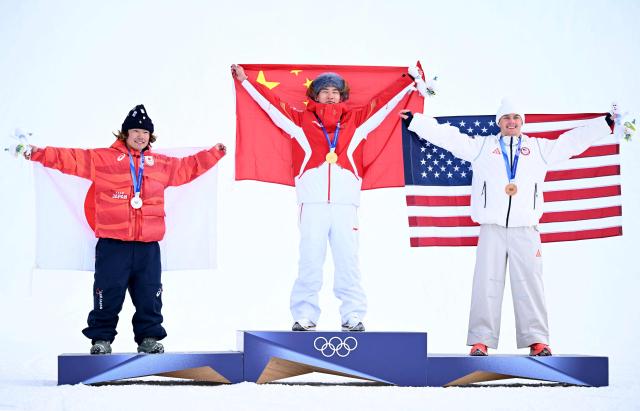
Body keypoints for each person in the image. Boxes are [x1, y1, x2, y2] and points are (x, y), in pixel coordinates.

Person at [401, 97, 612, 356]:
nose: (511, 122)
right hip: (492, 228)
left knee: (530, 284)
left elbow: (571, 142)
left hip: (526, 229)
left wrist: (605, 125)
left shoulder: (539, 149)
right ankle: (481, 341)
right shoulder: (482, 147)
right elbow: (449, 138)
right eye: (506, 118)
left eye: (516, 118)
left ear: (522, 122)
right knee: (486, 284)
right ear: (498, 122)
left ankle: (538, 340)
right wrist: (417, 122)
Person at [20, 104, 226, 354]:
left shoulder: (159, 164)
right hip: (113, 244)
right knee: (108, 293)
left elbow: (188, 167)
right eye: (136, 131)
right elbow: (70, 159)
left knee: (150, 296)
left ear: (151, 136)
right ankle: (101, 340)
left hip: (148, 247)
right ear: (124, 134)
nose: (140, 136)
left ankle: (149, 339)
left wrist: (214, 154)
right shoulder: (103, 160)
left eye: (145, 132)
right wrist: (38, 153)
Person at [231, 64, 416, 332]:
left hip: (345, 204)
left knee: (348, 261)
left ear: (343, 96)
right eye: (324, 91)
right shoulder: (299, 122)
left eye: (335, 91)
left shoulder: (357, 121)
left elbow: (385, 103)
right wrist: (247, 83)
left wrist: (409, 83)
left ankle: (353, 315)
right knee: (309, 260)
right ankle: (305, 315)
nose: (330, 96)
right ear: (314, 96)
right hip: (312, 203)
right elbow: (271, 105)